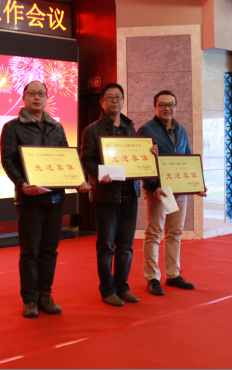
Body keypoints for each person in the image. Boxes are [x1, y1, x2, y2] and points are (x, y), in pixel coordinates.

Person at [0, 81, 90, 318]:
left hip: (56, 198)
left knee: (50, 250)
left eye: (41, 94)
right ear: (24, 97)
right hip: (29, 199)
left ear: (47, 98)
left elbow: (67, 159)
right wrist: (22, 184)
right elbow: (8, 160)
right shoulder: (12, 127)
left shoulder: (56, 127)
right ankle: (30, 299)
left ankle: (45, 294)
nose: (37, 97)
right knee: (30, 251)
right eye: (32, 94)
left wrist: (78, 180)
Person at [80, 83, 157, 307]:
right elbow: (86, 161)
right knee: (106, 246)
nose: (115, 101)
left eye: (119, 97)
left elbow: (137, 159)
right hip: (106, 196)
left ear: (123, 101)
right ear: (102, 102)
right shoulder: (92, 130)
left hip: (130, 196)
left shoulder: (130, 128)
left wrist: (150, 154)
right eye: (110, 97)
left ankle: (122, 286)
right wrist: (100, 173)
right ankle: (107, 289)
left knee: (126, 246)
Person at [137, 90, 207, 296]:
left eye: (171, 105)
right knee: (154, 234)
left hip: (179, 190)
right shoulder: (146, 130)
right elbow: (143, 163)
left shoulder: (181, 129)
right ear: (155, 107)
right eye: (163, 105)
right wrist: (153, 186)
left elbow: (187, 158)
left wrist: (197, 184)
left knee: (175, 233)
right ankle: (152, 278)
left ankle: (173, 274)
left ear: (176, 107)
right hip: (159, 190)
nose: (168, 108)